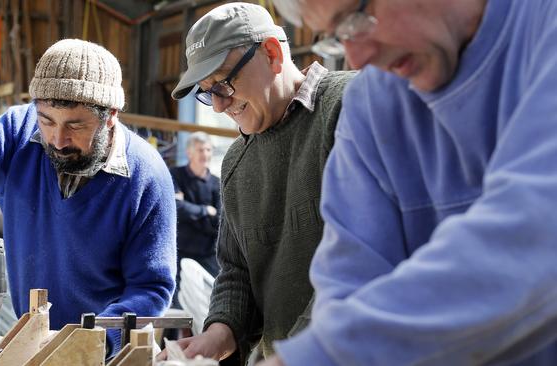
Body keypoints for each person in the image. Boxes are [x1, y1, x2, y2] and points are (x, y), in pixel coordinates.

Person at [259, 0, 557, 365]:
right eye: (336, 36)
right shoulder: (371, 105)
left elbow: (538, 237)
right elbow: (348, 282)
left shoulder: (544, 28)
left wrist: (327, 354)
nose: (357, 58)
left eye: (356, 17)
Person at [0, 39, 177, 356]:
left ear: (110, 116)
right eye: (46, 120)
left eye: (75, 125)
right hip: (30, 346)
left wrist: (90, 345)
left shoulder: (147, 175)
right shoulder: (18, 131)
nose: (57, 140)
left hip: (106, 355)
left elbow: (151, 288)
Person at [161, 3, 355, 364]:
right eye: (208, 92)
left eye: (223, 84)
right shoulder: (236, 162)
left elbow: (363, 255)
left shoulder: (349, 108)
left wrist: (297, 353)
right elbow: (236, 270)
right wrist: (220, 333)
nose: (218, 106)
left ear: (271, 53)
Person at [171, 131, 221, 279]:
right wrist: (205, 210)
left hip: (208, 254)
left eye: (208, 150)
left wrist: (188, 210)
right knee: (177, 300)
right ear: (189, 153)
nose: (205, 154)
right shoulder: (175, 175)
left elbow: (220, 220)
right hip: (179, 251)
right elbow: (175, 208)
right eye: (200, 150)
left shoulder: (218, 183)